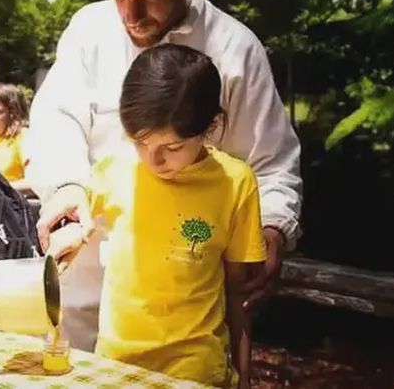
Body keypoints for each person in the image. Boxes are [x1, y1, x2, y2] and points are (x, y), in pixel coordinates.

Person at [27, 0, 303, 351]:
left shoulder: (236, 50)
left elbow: (271, 161)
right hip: (87, 280)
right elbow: (56, 118)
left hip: (188, 304)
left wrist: (272, 226)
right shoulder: (89, 28)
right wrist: (63, 186)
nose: (130, 15)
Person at [51, 44, 264, 388]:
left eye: (173, 147)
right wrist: (68, 229)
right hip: (114, 364)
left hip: (194, 368)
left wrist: (243, 375)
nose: (153, 160)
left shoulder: (235, 183)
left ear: (211, 125)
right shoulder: (115, 168)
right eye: (139, 143)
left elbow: (240, 295)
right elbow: (73, 211)